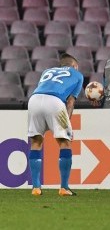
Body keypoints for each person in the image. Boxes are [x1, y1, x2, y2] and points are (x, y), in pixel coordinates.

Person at [27, 53, 84, 196]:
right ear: (74, 66)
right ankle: (64, 187)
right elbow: (70, 101)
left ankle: (36, 187)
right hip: (55, 101)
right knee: (65, 142)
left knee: (36, 141)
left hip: (34, 99)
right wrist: (67, 124)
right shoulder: (77, 75)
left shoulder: (47, 71)